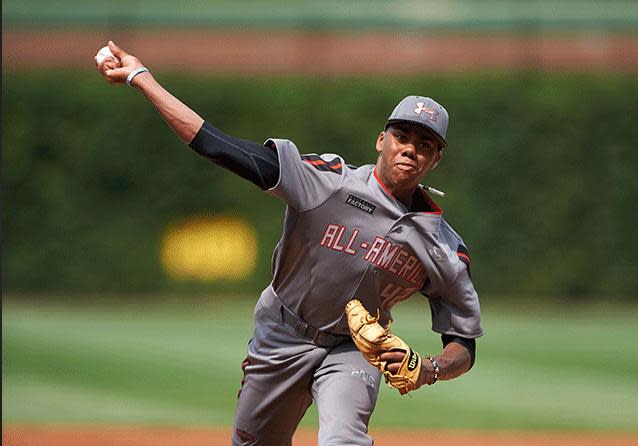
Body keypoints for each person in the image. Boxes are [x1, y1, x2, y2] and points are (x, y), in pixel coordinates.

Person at [96, 41, 483, 446]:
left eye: (425, 145)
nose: (410, 149)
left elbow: (463, 343)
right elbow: (218, 145)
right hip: (282, 334)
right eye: (402, 136)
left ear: (435, 160)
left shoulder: (442, 246)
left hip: (355, 350)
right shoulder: (326, 181)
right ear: (380, 140)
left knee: (344, 440)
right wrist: (143, 79)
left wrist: (430, 368)